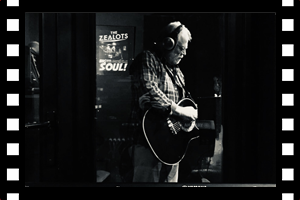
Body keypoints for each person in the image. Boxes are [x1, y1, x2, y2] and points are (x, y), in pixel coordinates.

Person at [129, 21, 197, 182]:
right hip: (148, 143)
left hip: (173, 146)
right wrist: (181, 111)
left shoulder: (178, 73)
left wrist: (189, 116)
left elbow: (182, 106)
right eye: (181, 48)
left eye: (186, 49)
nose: (184, 54)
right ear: (168, 43)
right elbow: (150, 91)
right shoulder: (148, 59)